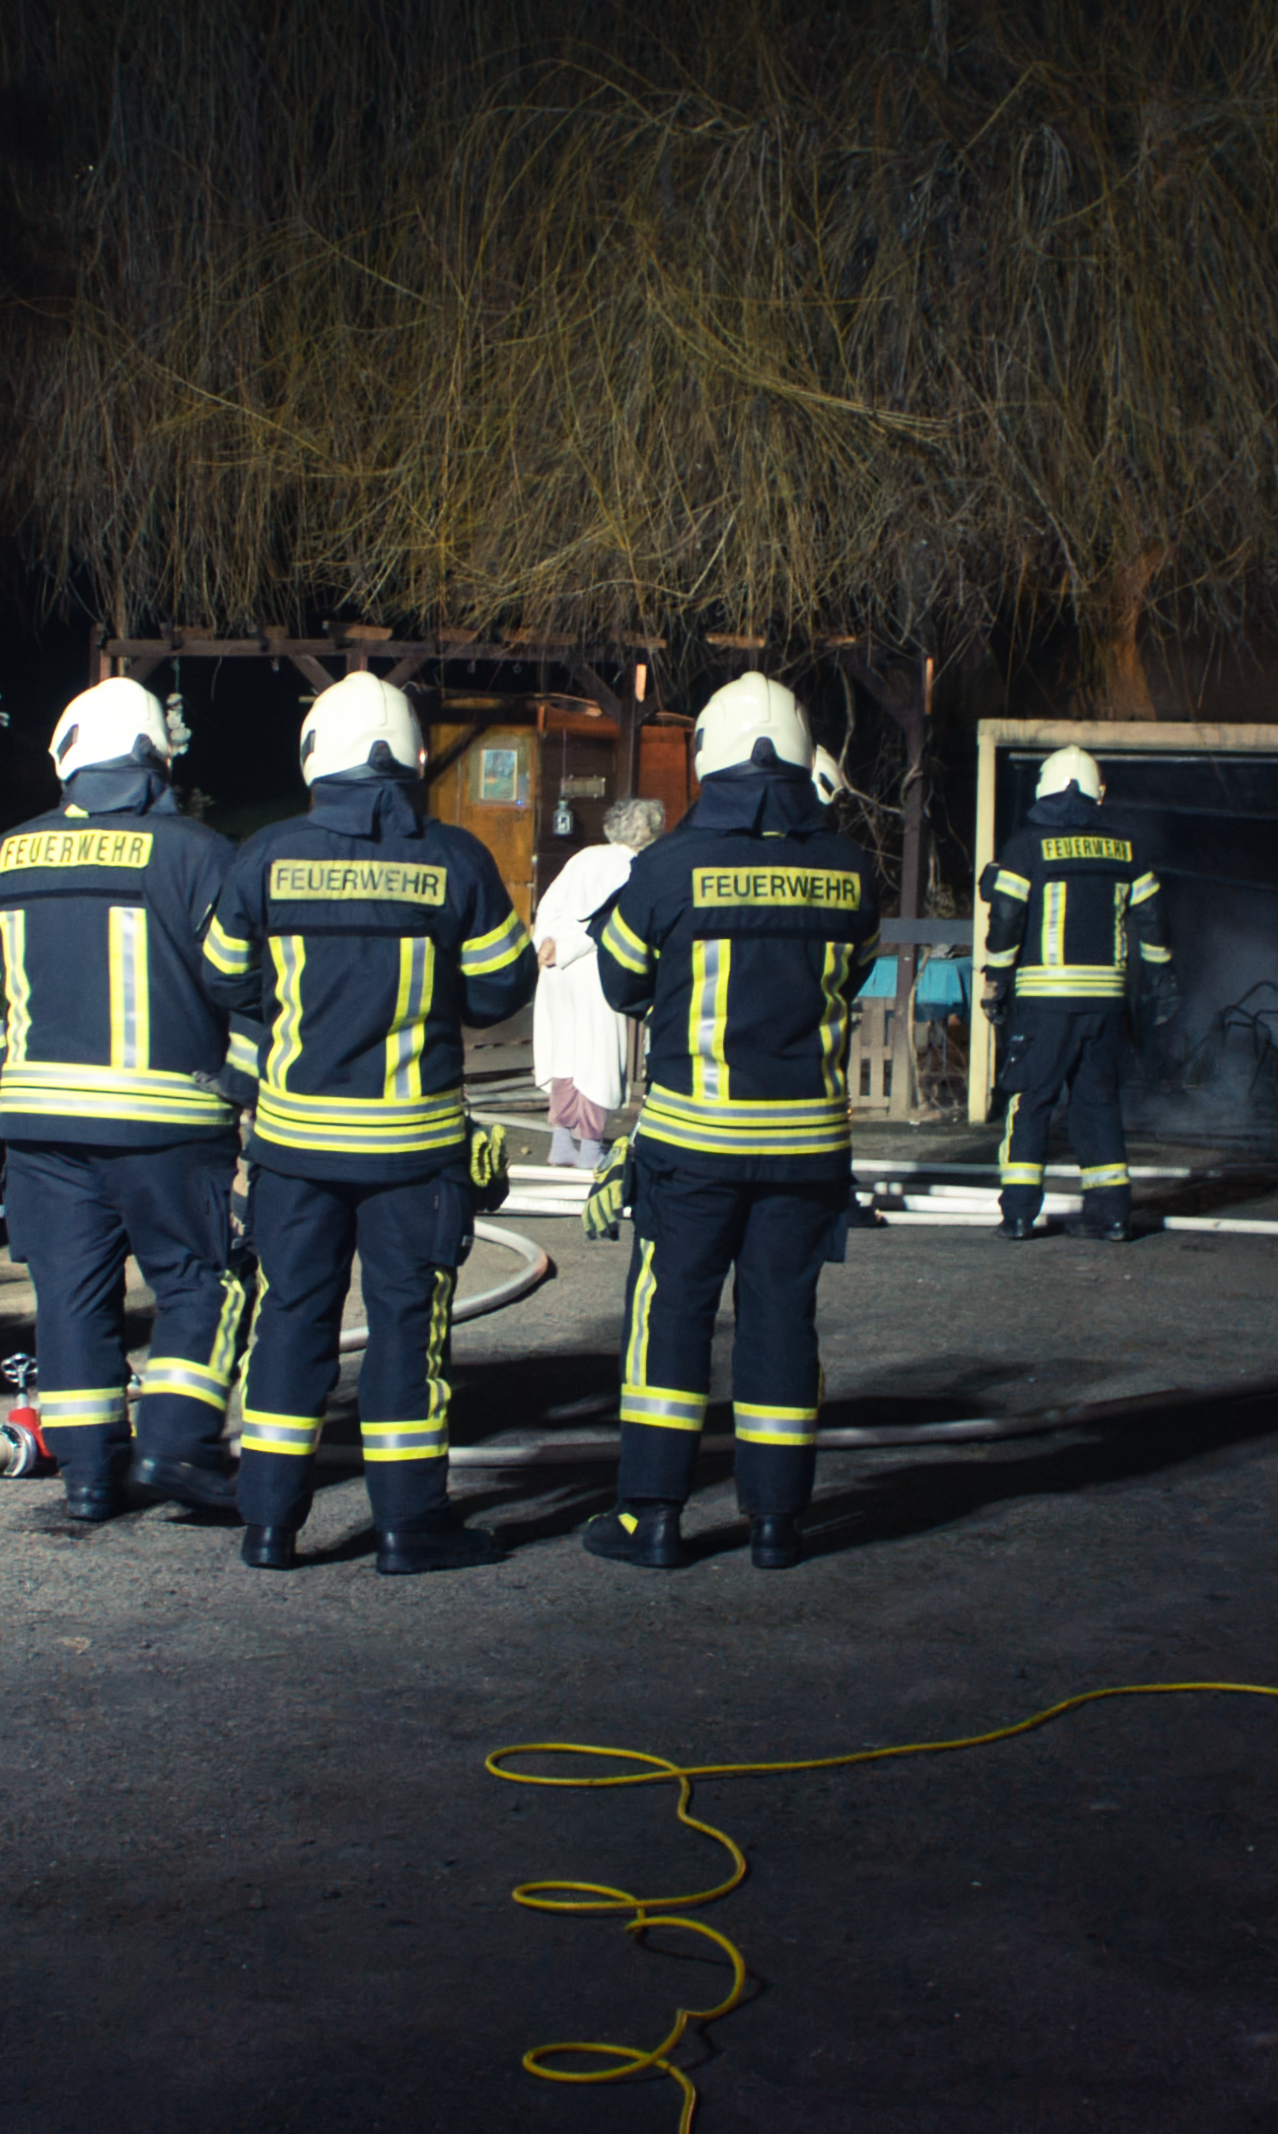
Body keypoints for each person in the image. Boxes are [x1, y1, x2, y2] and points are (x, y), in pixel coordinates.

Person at [197, 671, 531, 1574]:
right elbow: (504, 987)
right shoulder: (456, 860)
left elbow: (224, 976)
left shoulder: (266, 856)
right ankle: (409, 1530)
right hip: (413, 1151)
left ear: (316, 757)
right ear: (416, 760)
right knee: (405, 1331)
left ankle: (268, 1526)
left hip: (295, 1148)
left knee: (290, 1323)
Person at [0, 678, 244, 1524]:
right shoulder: (199, 855)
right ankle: (175, 1443)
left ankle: (91, 1476)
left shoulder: (5, 856)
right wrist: (239, 1082)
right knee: (197, 1285)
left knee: (69, 1299)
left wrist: (4, 1072)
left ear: (67, 763)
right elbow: (251, 985)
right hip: (170, 1130)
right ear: (154, 762)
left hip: (41, 1135)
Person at [578, 677, 877, 1573]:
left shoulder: (665, 870)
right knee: (783, 1322)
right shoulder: (850, 870)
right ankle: (777, 1526)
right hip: (806, 1152)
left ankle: (653, 1519)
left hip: (692, 1149)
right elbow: (850, 976)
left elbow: (621, 982)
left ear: (707, 755)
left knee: (671, 1319)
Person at [979, 742, 1169, 1241]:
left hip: (1044, 1004)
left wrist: (995, 982)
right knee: (1098, 1104)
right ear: (1097, 792)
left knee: (1031, 1102)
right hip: (1106, 1004)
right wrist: (1162, 984)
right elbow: (1152, 922)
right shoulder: (1127, 847)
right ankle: (1111, 1216)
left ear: (1045, 789)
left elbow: (1005, 919)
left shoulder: (1026, 846)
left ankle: (1019, 1214)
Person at [530, 795, 661, 1168]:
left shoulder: (582, 858)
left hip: (557, 974)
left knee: (564, 1053)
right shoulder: (636, 867)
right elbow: (607, 925)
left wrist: (547, 945)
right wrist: (567, 948)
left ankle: (560, 1141)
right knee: (598, 1057)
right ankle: (589, 1146)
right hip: (597, 970)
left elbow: (549, 908)